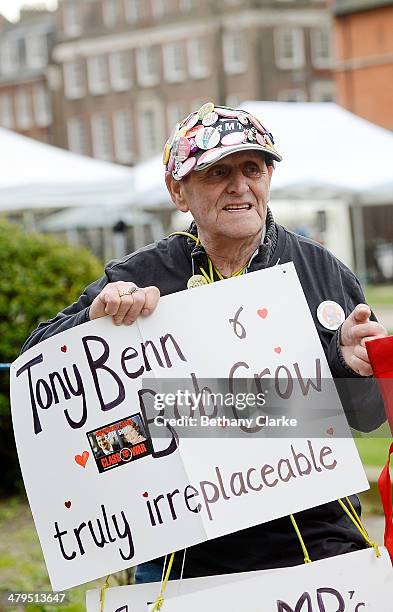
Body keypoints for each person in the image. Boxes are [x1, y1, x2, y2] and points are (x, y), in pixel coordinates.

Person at [22, 102, 387, 582]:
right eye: (216, 172)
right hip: (184, 560)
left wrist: (353, 364)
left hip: (314, 549)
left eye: (252, 169)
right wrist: (94, 318)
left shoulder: (320, 272)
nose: (239, 186)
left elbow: (368, 416)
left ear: (268, 178)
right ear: (178, 191)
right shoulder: (144, 275)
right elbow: (37, 364)